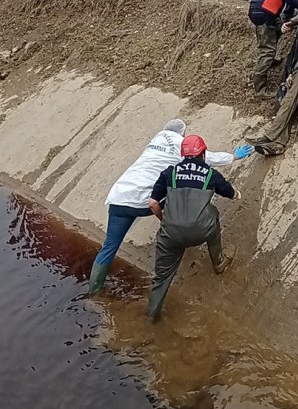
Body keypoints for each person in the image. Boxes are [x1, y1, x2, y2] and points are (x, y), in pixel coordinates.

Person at [88, 119, 251, 294]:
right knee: (183, 193)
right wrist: (234, 156)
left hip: (119, 197)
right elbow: (207, 159)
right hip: (145, 201)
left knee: (109, 246)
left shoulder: (154, 142)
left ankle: (94, 291)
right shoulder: (179, 143)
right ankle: (186, 228)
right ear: (183, 133)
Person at [147, 134, 240, 320]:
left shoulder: (169, 173)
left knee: (161, 278)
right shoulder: (210, 174)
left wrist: (164, 220)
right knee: (213, 214)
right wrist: (237, 193)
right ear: (203, 153)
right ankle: (218, 262)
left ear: (183, 155)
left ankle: (151, 317)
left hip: (170, 233)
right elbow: (232, 194)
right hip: (201, 231)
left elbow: (153, 204)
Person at [248, 0, 298, 97]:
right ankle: (260, 89)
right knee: (267, 50)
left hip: (258, 9)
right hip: (265, 13)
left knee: (279, 29)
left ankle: (269, 60)